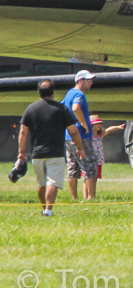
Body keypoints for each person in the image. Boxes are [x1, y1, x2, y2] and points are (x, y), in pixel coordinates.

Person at [17, 80, 86, 216]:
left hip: (37, 153)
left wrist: (21, 152)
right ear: (53, 93)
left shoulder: (31, 109)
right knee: (53, 182)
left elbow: (23, 132)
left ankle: (44, 209)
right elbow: (73, 131)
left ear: (39, 93)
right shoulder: (61, 109)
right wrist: (80, 148)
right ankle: (48, 210)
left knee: (42, 184)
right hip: (55, 153)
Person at [63, 69, 99, 201]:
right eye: (88, 81)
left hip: (68, 135)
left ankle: (74, 197)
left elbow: (62, 108)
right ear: (79, 81)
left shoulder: (69, 93)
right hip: (81, 136)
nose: (91, 83)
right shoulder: (79, 94)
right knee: (89, 164)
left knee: (72, 166)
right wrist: (83, 123)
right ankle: (91, 197)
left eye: (91, 80)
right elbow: (75, 108)